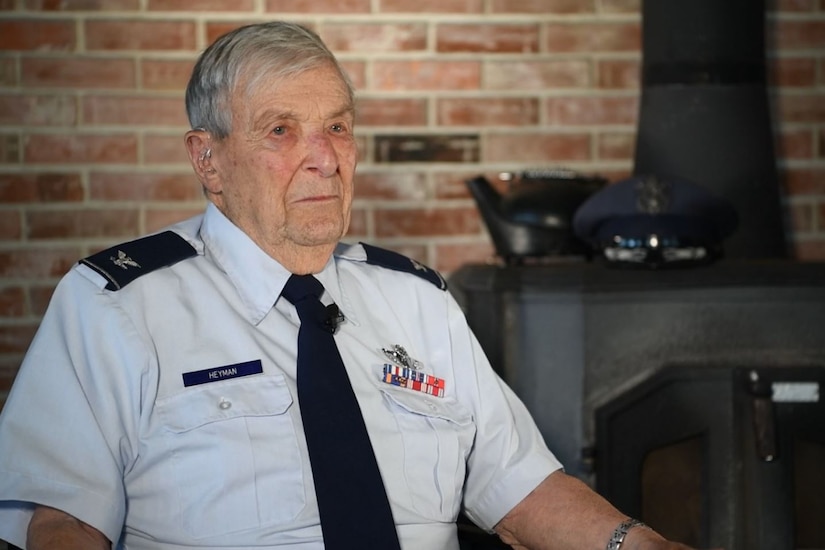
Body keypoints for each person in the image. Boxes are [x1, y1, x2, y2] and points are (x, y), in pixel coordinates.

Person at [0, 21, 709, 550]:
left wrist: (636, 545)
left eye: (336, 128)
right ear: (208, 160)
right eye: (281, 130)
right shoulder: (118, 306)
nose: (323, 159)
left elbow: (517, 485)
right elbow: (61, 519)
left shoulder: (417, 301)